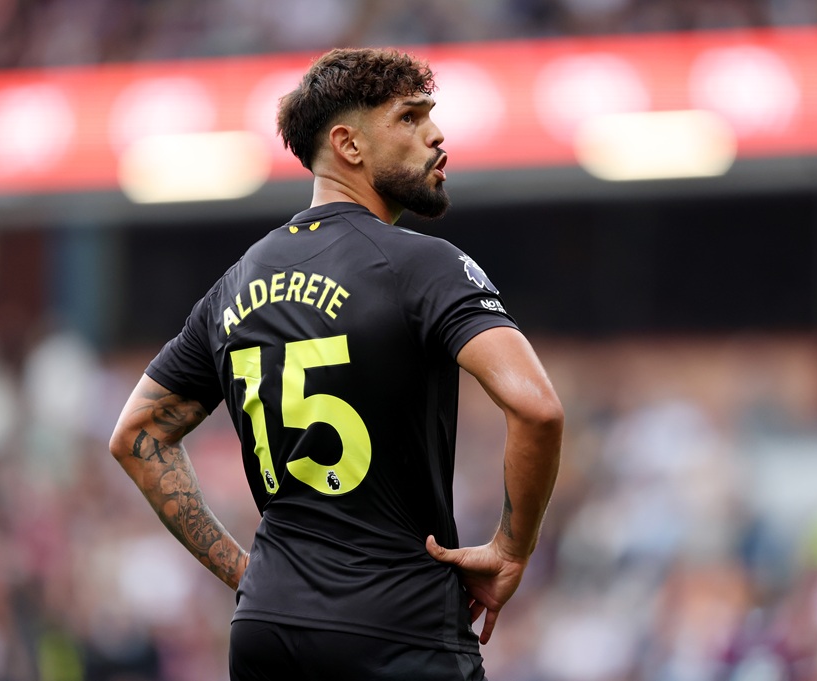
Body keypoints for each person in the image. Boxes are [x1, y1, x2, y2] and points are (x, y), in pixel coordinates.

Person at [108, 46, 563, 680]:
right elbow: (536, 407)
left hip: (268, 629)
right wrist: (512, 551)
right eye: (410, 118)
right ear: (348, 144)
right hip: (399, 628)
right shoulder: (421, 265)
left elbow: (137, 436)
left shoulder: (233, 285)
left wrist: (249, 574)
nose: (436, 135)